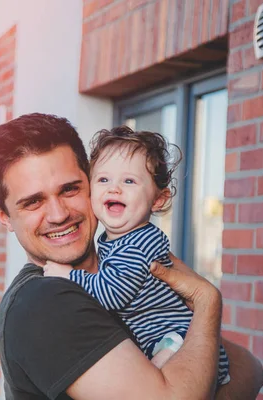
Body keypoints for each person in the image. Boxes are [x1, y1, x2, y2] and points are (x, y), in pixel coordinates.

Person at [0, 113, 263, 399]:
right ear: (3, 216)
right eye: (33, 202)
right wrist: (207, 301)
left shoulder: (127, 259)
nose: (59, 215)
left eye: (70, 189)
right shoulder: (43, 301)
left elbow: (252, 369)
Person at [42, 127, 230, 383]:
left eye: (129, 181)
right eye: (103, 180)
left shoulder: (138, 243)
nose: (114, 189)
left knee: (152, 386)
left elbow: (111, 295)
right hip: (162, 338)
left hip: (177, 338)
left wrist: (68, 274)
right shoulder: (115, 240)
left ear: (158, 199)